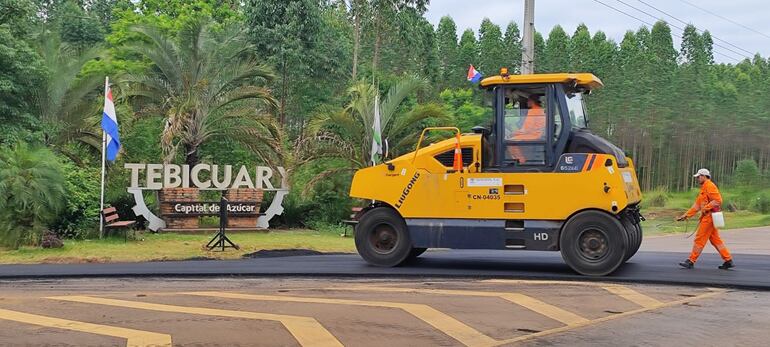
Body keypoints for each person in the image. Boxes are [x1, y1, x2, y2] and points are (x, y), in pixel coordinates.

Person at [677, 168, 734, 270]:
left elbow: (718, 200)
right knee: (716, 240)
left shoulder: (710, 186)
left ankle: (691, 261)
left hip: (709, 217)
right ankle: (728, 260)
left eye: (698, 177)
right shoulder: (704, 188)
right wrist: (686, 216)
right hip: (708, 217)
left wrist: (706, 208)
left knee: (699, 239)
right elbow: (697, 205)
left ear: (704, 176)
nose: (697, 179)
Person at [507, 96, 545, 163]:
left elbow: (527, 129)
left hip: (533, 134)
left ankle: (521, 161)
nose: (527, 102)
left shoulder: (533, 111)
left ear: (532, 101)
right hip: (538, 133)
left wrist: (513, 133)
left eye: (528, 101)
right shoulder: (540, 110)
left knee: (510, 142)